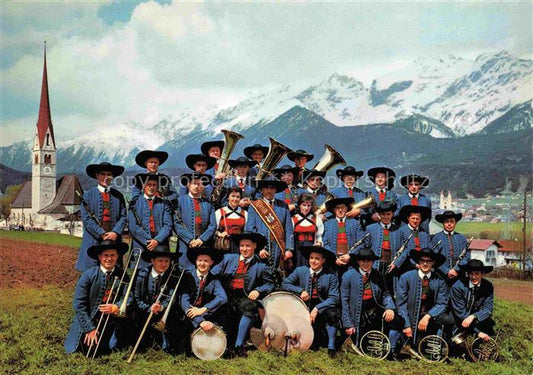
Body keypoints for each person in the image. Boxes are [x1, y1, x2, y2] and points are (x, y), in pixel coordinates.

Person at [211, 232, 274, 357]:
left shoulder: (261, 265)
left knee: (249, 306)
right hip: (227, 295)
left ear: (255, 246)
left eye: (248, 246)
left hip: (246, 297)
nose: (244, 249)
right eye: (242, 246)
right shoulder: (228, 259)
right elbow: (213, 273)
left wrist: (258, 290)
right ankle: (222, 344)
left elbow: (270, 285)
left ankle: (238, 345)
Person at [65, 240, 130, 354]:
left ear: (117, 256)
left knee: (112, 347)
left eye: (112, 255)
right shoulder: (88, 275)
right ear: (100, 257)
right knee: (88, 349)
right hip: (91, 319)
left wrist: (116, 307)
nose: (109, 258)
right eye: (106, 255)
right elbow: (79, 305)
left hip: (112, 320)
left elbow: (129, 297)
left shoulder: (123, 275)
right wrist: (89, 328)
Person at [341, 247, 402, 357]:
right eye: (362, 260)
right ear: (358, 261)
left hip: (374, 311)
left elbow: (386, 293)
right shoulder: (348, 276)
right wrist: (348, 323)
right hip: (356, 314)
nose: (365, 263)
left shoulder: (378, 275)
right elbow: (344, 302)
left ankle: (391, 350)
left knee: (398, 320)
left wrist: (389, 308)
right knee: (362, 343)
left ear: (373, 262)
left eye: (368, 260)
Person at [282, 245, 339, 357]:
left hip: (322, 307)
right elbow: (285, 283)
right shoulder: (300, 270)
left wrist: (317, 308)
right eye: (311, 258)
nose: (313, 261)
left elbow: (335, 297)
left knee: (332, 313)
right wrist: (300, 291)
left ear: (323, 260)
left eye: (317, 258)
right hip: (303, 306)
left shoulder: (331, 275)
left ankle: (331, 347)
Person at [396, 248, 452, 350]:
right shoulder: (405, 277)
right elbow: (401, 305)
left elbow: (442, 303)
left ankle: (440, 346)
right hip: (409, 316)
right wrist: (407, 325)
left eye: (428, 261)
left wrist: (427, 316)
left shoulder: (440, 280)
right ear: (418, 262)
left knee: (448, 320)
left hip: (429, 319)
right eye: (422, 260)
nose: (425, 264)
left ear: (433, 263)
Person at [76, 162, 127, 272]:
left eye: (109, 174)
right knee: (91, 273)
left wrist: (115, 233)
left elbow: (123, 217)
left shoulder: (119, 196)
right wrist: (101, 234)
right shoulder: (88, 195)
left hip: (114, 241)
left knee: (113, 273)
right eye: (102, 174)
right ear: (97, 176)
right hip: (93, 240)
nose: (105, 177)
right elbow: (86, 219)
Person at [180, 246, 228, 354]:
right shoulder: (187, 276)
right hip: (188, 315)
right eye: (200, 260)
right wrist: (200, 321)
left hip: (204, 313)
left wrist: (204, 309)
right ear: (195, 261)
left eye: (206, 261)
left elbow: (223, 297)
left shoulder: (214, 279)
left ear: (211, 262)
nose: (202, 263)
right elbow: (184, 301)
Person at [132, 245, 180, 353]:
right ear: (152, 261)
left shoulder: (172, 277)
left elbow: (173, 298)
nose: (164, 264)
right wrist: (149, 308)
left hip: (163, 314)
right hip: (143, 313)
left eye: (167, 261)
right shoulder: (141, 275)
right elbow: (137, 299)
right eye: (160, 261)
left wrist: (161, 306)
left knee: (168, 347)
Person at [245, 177, 294, 274]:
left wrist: (289, 249)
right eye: (266, 188)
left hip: (279, 248)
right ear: (262, 190)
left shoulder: (283, 206)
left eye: (272, 188)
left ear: (275, 190)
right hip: (261, 249)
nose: (269, 191)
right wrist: (258, 248)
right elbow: (250, 229)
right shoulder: (254, 206)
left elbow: (289, 229)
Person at [128, 174, 173, 268]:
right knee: (140, 274)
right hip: (141, 244)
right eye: (149, 184)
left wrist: (157, 240)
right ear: (143, 186)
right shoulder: (134, 203)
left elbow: (168, 225)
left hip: (160, 245)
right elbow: (133, 226)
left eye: (154, 185)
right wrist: (148, 241)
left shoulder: (164, 204)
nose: (151, 187)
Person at [174, 172, 217, 269]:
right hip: (185, 245)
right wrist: (190, 239)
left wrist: (201, 239)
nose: (196, 186)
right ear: (188, 185)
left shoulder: (209, 204)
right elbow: (176, 223)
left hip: (204, 245)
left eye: (199, 184)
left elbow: (213, 225)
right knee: (184, 271)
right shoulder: (179, 201)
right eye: (194, 183)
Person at [450, 260, 495, 342]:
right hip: (457, 316)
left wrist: (473, 316)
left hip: (474, 316)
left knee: (489, 323)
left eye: (477, 273)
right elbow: (459, 313)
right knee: (454, 340)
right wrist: (478, 332)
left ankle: (480, 346)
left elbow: (488, 309)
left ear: (482, 274)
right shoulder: (457, 286)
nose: (474, 277)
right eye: (471, 274)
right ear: (468, 274)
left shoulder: (488, 286)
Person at [362, 201, 400, 294]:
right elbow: (365, 246)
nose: (386, 217)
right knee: (376, 289)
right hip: (376, 265)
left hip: (391, 266)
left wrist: (397, 263)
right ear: (379, 215)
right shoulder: (370, 228)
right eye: (383, 214)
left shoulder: (398, 230)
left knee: (390, 289)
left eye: (388, 214)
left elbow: (404, 249)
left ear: (392, 214)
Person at [322, 197, 364, 275]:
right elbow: (325, 243)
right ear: (334, 210)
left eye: (342, 207)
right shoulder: (327, 224)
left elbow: (361, 242)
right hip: (334, 262)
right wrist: (334, 258)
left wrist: (350, 255)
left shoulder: (355, 223)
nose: (340, 210)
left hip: (351, 262)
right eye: (337, 208)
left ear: (346, 209)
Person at [390, 205, 432, 274]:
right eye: (413, 218)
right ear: (408, 218)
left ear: (421, 219)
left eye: (417, 219)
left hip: (423, 267)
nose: (415, 221)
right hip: (405, 267)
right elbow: (400, 252)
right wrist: (415, 264)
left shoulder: (424, 233)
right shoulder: (401, 232)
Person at [432, 211, 470, 284]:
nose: (449, 224)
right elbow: (434, 257)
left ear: (455, 223)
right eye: (446, 222)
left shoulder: (461, 238)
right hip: (441, 277)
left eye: (452, 221)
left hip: (459, 277)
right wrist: (446, 271)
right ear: (443, 223)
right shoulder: (436, 238)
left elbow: (467, 256)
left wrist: (456, 269)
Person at [292, 193, 324, 268]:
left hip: (311, 249)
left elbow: (319, 236)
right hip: (297, 250)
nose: (306, 208)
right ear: (299, 205)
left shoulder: (316, 219)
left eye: (309, 205)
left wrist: (319, 243)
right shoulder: (293, 219)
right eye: (304, 205)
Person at [214, 187, 248, 254]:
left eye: (238, 197)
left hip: (239, 247)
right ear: (228, 198)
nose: (235, 199)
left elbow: (247, 231)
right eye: (233, 196)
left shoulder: (245, 213)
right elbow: (212, 230)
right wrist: (220, 234)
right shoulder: (219, 212)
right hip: (224, 245)